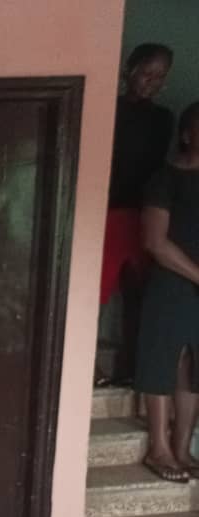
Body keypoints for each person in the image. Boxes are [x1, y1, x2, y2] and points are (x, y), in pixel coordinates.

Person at [98, 43, 174, 386]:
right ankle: (88, 366)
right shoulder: (107, 108)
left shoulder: (163, 119)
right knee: (96, 292)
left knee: (137, 295)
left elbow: (155, 170)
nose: (152, 82)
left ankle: (131, 368)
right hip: (108, 210)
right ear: (129, 69)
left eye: (160, 76)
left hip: (143, 214)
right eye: (147, 73)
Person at [135, 101, 199, 482]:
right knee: (162, 358)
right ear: (187, 135)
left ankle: (182, 448)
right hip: (171, 281)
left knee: (193, 367)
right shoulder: (165, 179)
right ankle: (158, 449)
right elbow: (155, 242)